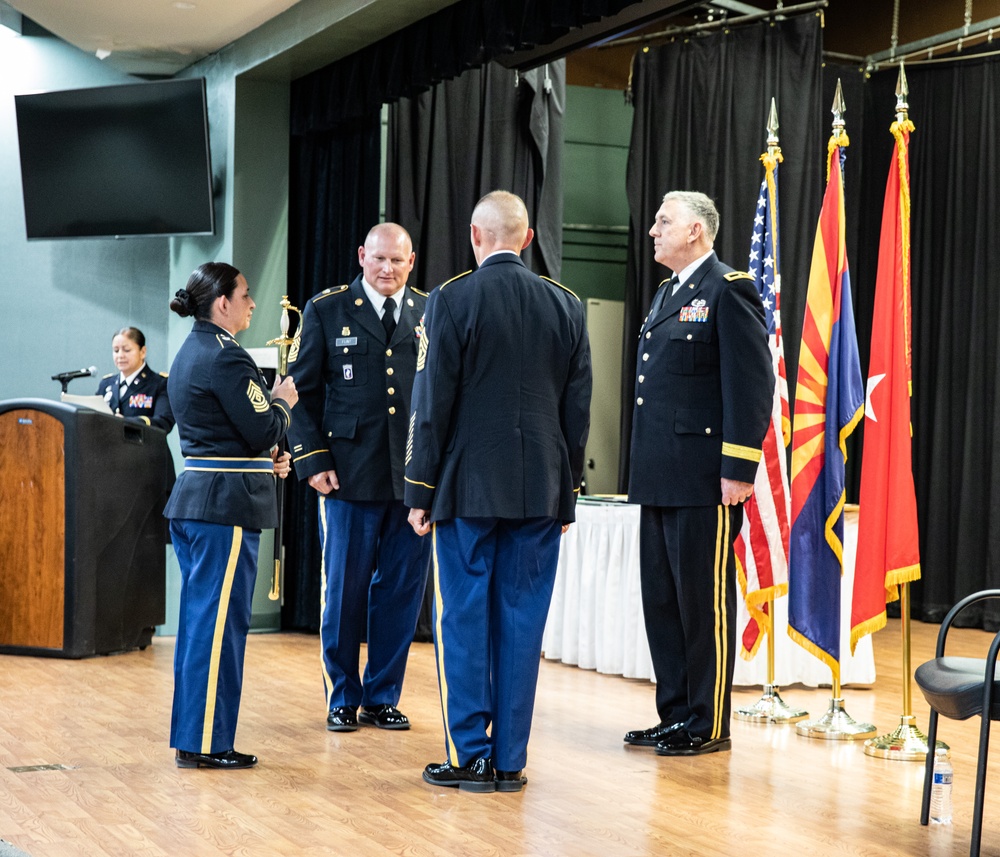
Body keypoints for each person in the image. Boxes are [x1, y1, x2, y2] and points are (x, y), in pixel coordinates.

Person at [405, 190, 592, 793]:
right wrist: (567, 488)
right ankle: (510, 759)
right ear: (529, 238)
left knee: (462, 620)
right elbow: (577, 408)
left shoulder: (450, 299)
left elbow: (431, 402)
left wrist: (418, 488)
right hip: (541, 487)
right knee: (522, 623)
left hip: (466, 488)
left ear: (475, 237)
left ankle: (471, 757)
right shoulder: (566, 305)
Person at [624, 191, 772, 757]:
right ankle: (675, 713)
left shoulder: (730, 289)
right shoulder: (666, 293)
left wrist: (739, 467)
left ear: (695, 231)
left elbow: (750, 385)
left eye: (663, 222)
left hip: (705, 478)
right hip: (659, 474)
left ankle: (708, 723)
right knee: (662, 601)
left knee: (700, 601)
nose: (654, 230)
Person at [287, 223, 431, 733]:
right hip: (346, 475)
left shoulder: (428, 311)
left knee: (401, 590)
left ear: (411, 261)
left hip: (410, 477)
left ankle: (383, 695)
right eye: (379, 259)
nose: (388, 269)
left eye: (398, 261)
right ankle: (343, 695)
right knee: (345, 588)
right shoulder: (326, 310)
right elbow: (295, 392)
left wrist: (432, 475)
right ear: (361, 257)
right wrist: (311, 459)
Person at [164, 262, 297, 770]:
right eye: (245, 294)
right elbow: (263, 427)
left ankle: (196, 736)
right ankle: (206, 743)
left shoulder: (191, 351)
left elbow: (229, 435)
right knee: (218, 628)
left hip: (204, 495)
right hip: (225, 506)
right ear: (222, 302)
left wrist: (266, 460)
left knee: (202, 624)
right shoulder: (227, 358)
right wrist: (283, 403)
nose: (252, 303)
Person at [96, 327, 174, 432]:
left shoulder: (159, 383)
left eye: (127, 350)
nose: (120, 355)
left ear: (142, 352)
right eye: (116, 350)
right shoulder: (106, 384)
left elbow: (164, 422)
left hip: (146, 447)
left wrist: (127, 423)